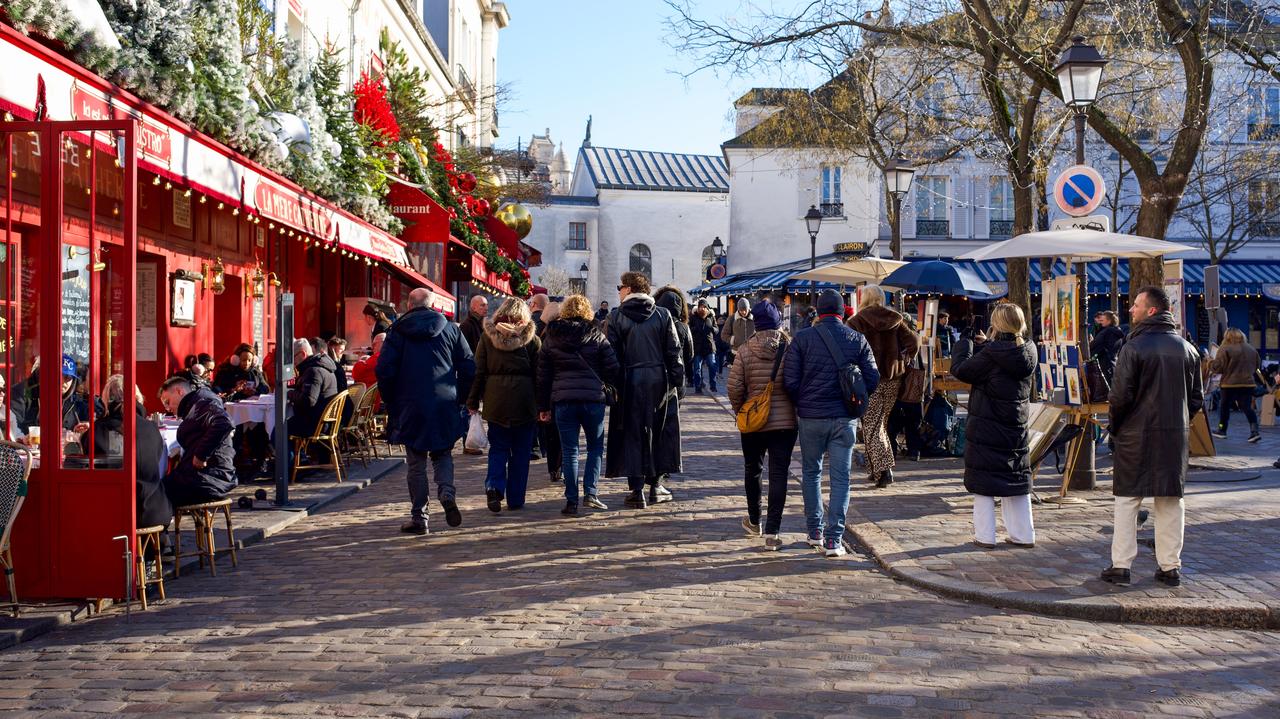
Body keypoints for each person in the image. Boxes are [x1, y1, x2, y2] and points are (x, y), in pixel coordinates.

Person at [1102, 286, 1203, 588]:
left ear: (1151, 311)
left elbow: (1120, 397)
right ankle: (1170, 567)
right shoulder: (1188, 349)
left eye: (1135, 305)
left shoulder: (1133, 347)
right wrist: (1180, 422)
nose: (1130, 310)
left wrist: (1116, 427)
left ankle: (1121, 566)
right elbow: (1196, 399)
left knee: (1127, 500)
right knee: (1171, 501)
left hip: (1136, 434)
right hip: (1174, 436)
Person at [783, 289, 879, 558]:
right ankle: (833, 539)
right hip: (843, 418)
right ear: (841, 311)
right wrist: (853, 398)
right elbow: (872, 378)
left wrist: (805, 400)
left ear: (819, 309)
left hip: (811, 416)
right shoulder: (857, 339)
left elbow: (789, 380)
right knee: (841, 479)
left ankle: (814, 531)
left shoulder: (802, 339)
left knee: (811, 473)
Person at [377, 288, 474, 534]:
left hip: (410, 403)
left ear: (409, 304)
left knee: (416, 462)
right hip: (444, 401)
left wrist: (391, 401)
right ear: (434, 305)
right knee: (442, 454)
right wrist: (460, 397)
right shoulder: (452, 329)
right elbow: (468, 366)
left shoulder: (397, 332)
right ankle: (447, 492)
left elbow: (384, 370)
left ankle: (420, 518)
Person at [950, 303, 1038, 549]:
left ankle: (986, 536)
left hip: (988, 425)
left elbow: (961, 370)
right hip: (1015, 424)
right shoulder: (1029, 350)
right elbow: (1002, 357)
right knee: (1016, 479)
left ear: (996, 325)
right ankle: (1024, 534)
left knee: (984, 482)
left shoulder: (991, 355)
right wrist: (985, 346)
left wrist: (965, 345)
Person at [605, 272, 684, 508]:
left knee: (632, 432)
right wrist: (677, 381)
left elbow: (612, 356)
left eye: (620, 286)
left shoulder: (617, 316)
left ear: (629, 289)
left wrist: (614, 384)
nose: (618, 290)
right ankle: (656, 486)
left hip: (629, 380)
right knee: (660, 430)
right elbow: (673, 350)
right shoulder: (662, 314)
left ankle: (637, 488)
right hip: (659, 380)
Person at [537, 294, 620, 516]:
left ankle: (571, 500)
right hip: (592, 399)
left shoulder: (552, 336)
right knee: (594, 448)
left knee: (570, 451)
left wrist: (543, 406)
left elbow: (543, 376)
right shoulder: (596, 334)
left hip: (563, 400)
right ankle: (591, 493)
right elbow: (613, 367)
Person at [727, 300, 796, 550]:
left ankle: (755, 520)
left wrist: (742, 411)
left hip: (754, 422)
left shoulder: (745, 350)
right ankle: (773, 532)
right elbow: (797, 383)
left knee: (753, 470)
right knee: (778, 474)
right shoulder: (790, 347)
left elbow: (734, 388)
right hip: (785, 422)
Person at [467, 297, 541, 513]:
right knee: (520, 452)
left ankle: (494, 486)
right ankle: (516, 498)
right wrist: (542, 404)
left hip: (496, 400)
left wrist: (472, 401)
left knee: (498, 448)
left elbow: (479, 372)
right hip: (524, 401)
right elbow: (539, 375)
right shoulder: (532, 340)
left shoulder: (488, 338)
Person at [847, 285, 919, 489]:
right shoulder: (895, 318)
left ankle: (885, 470)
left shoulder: (856, 321)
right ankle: (875, 469)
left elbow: (849, 349)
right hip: (893, 379)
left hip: (869, 379)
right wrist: (902, 360)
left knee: (872, 425)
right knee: (879, 423)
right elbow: (914, 342)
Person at [83, 376, 172, 528]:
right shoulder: (152, 427)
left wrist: (85, 434)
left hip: (120, 511)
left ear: (106, 400)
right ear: (137, 397)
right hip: (156, 509)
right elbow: (157, 459)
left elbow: (92, 464)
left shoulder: (99, 429)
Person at [158, 376, 237, 508]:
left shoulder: (203, 403)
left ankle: (160, 527)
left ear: (179, 391)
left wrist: (201, 455)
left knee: (154, 494)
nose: (167, 408)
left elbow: (223, 423)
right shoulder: (196, 405)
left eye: (168, 401)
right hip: (203, 475)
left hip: (210, 478)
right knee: (155, 490)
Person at [652, 286, 693, 501]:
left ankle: (651, 473)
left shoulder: (653, 323)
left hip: (652, 381)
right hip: (673, 385)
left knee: (651, 430)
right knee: (668, 430)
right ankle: (663, 470)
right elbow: (689, 357)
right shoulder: (683, 327)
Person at [1209, 327, 1261, 443]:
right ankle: (1254, 431)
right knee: (1247, 407)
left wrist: (1210, 362)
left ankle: (1222, 429)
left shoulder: (1225, 348)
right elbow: (1258, 365)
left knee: (1224, 407)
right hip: (1248, 383)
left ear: (1227, 336)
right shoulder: (1251, 349)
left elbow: (1218, 367)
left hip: (1229, 384)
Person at [286, 338, 339, 440]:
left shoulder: (313, 371)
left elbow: (308, 400)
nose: (293, 363)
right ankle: (299, 454)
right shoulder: (322, 366)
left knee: (278, 430)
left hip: (315, 423)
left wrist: (289, 393)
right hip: (325, 421)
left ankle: (292, 456)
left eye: (293, 358)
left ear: (302, 354)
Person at [688, 298, 719, 393]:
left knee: (712, 366)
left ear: (707, 308)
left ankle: (713, 386)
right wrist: (695, 329)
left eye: (704, 307)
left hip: (709, 346)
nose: (703, 309)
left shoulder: (711, 317)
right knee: (697, 368)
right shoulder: (693, 317)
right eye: (701, 307)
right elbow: (688, 330)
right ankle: (698, 387)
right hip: (697, 347)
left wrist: (712, 328)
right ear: (698, 308)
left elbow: (717, 330)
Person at [1090, 310, 1126, 384]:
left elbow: (1094, 345)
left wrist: (1091, 342)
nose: (1101, 322)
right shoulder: (1117, 331)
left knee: (1106, 388)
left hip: (1105, 364)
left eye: (1102, 320)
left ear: (1109, 321)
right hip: (1113, 363)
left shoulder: (1107, 332)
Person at [720, 297, 756, 365]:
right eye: (741, 310)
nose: (743, 312)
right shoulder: (732, 319)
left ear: (748, 308)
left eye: (745, 310)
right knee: (738, 375)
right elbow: (724, 335)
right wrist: (733, 340)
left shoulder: (755, 318)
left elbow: (760, 332)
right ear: (738, 309)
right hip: (737, 353)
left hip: (752, 353)